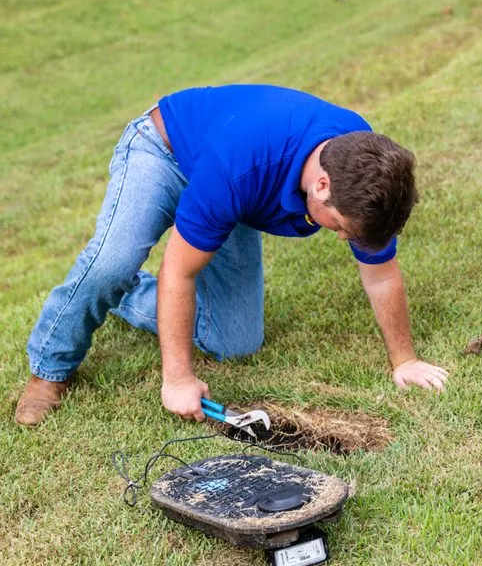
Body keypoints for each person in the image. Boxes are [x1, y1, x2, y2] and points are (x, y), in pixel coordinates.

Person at [16, 84, 447, 426]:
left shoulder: (364, 169)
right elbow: (180, 272)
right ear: (321, 186)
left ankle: (121, 291)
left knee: (235, 341)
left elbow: (381, 274)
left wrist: (404, 360)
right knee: (110, 264)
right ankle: (50, 369)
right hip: (165, 154)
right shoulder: (242, 166)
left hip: (230, 190)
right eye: (340, 227)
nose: (340, 238)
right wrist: (178, 379)